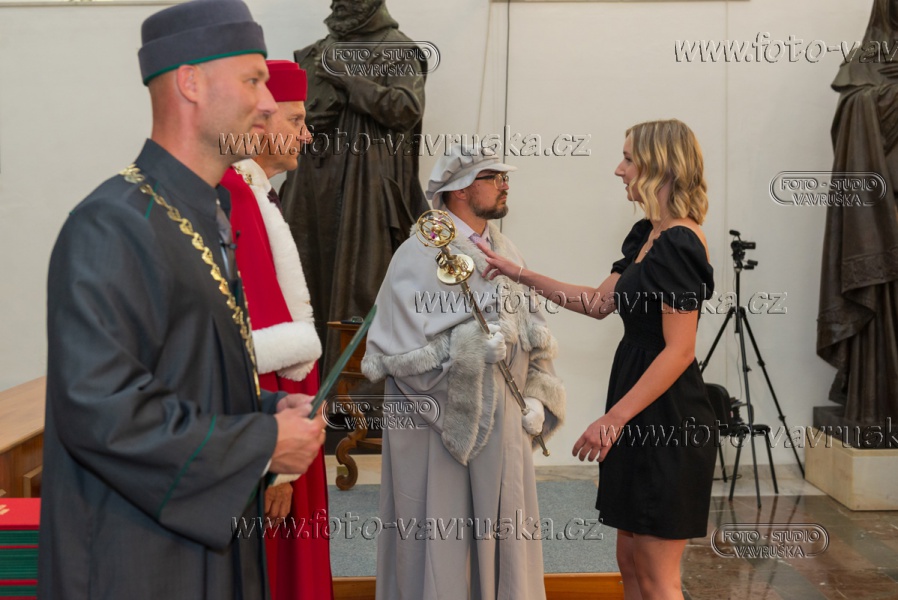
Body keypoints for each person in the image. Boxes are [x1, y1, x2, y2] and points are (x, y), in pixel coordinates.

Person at [38, 2, 326, 598]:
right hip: (137, 563)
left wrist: (268, 409)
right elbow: (103, 412)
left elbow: (189, 382)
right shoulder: (112, 224)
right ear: (190, 82)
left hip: (203, 553)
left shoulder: (205, 214)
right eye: (253, 80)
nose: (267, 102)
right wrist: (263, 442)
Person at [480, 120, 716, 599]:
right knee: (630, 562)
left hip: (667, 416)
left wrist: (612, 419)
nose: (618, 169)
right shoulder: (647, 234)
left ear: (659, 165)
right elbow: (597, 303)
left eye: (628, 158)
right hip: (637, 406)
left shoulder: (679, 243)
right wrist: (517, 273)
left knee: (658, 576)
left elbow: (680, 350)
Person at [361, 144, 566, 600]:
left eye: (505, 177)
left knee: (506, 532)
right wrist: (471, 350)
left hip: (505, 426)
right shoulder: (418, 253)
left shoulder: (505, 248)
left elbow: (533, 329)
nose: (505, 185)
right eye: (493, 177)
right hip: (438, 429)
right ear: (459, 189)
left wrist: (538, 395)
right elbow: (400, 353)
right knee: (443, 536)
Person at [221, 59, 333, 600]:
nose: (306, 136)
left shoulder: (257, 193)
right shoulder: (238, 194)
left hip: (288, 420)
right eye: (297, 121)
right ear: (260, 123)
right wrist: (277, 469)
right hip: (276, 425)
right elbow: (258, 341)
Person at [279, 0, 429, 376]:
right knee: (301, 280)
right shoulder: (314, 52)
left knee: (361, 287)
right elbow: (293, 116)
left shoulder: (397, 49)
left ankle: (353, 397)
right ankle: (299, 384)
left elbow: (406, 109)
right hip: (310, 187)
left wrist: (350, 83)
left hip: (365, 190)